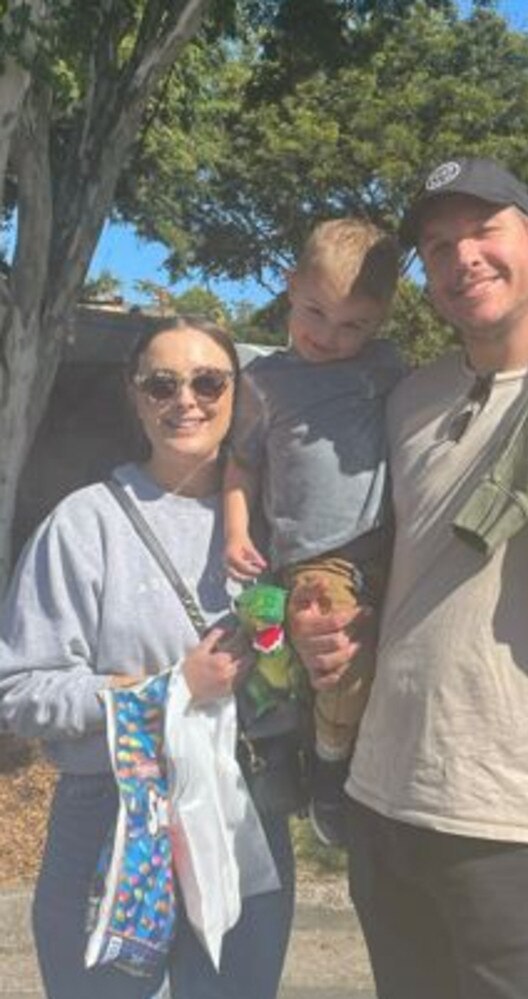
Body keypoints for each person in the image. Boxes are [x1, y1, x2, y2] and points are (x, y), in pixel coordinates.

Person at [290, 157, 528, 999]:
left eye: (484, 230)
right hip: (385, 796)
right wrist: (334, 623)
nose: (463, 257)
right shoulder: (408, 398)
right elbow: (390, 568)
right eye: (438, 243)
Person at [0, 318, 295, 999]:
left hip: (240, 814)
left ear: (237, 394)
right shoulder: (86, 522)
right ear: (135, 398)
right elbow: (19, 687)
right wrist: (168, 690)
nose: (184, 399)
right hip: (113, 815)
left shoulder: (280, 521)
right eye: (161, 383)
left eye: (208, 381)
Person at [223, 218, 405, 847]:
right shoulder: (264, 380)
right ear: (290, 284)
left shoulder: (384, 368)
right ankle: (298, 757)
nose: (330, 335)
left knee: (355, 660)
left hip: (371, 547)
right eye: (316, 311)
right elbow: (243, 462)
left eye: (354, 323)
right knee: (279, 648)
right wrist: (237, 529)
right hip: (295, 552)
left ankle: (326, 758)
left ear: (380, 321)